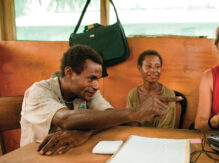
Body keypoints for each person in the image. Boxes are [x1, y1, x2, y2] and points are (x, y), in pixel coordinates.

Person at [20, 45, 181, 155]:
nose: (96, 86)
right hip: (35, 160)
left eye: (97, 79)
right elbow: (66, 120)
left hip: (69, 158)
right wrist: (135, 112)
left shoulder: (87, 91)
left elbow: (111, 116)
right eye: (91, 78)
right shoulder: (38, 92)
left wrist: (85, 132)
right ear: (69, 73)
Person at [126, 49, 177, 128]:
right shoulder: (132, 94)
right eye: (148, 66)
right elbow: (131, 123)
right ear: (139, 68)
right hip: (137, 138)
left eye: (157, 67)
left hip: (161, 138)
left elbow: (166, 127)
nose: (153, 70)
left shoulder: (168, 94)